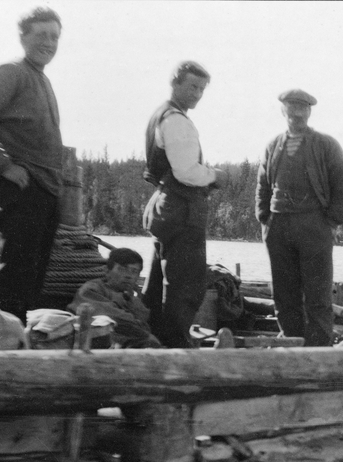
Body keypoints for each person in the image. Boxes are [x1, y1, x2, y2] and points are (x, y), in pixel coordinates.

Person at [0, 7, 65, 324]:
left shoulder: (40, 78)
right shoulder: (12, 72)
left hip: (44, 194)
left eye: (55, 36)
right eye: (41, 35)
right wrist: (2, 166)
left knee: (28, 287)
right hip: (23, 193)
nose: (49, 42)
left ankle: (12, 348)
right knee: (13, 286)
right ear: (23, 38)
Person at [141, 60, 229, 348]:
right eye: (192, 86)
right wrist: (216, 176)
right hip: (182, 209)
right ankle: (176, 346)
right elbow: (187, 172)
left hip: (166, 205)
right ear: (175, 82)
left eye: (202, 89)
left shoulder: (160, 115)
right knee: (186, 284)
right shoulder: (177, 120)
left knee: (158, 283)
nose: (197, 94)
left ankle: (152, 341)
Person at [256, 89, 343, 347]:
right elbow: (263, 185)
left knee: (317, 295)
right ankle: (292, 344)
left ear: (309, 112)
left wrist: (331, 221)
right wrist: (264, 217)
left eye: (302, 109)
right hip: (278, 226)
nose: (296, 114)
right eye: (291, 109)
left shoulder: (326, 145)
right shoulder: (272, 146)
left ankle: (319, 350)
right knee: (284, 294)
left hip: (313, 225)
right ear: (283, 111)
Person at [68, 247, 161, 348]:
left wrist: (133, 300)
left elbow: (143, 317)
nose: (128, 276)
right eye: (122, 269)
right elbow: (110, 316)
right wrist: (135, 322)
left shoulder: (131, 297)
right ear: (107, 271)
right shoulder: (91, 289)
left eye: (134, 271)